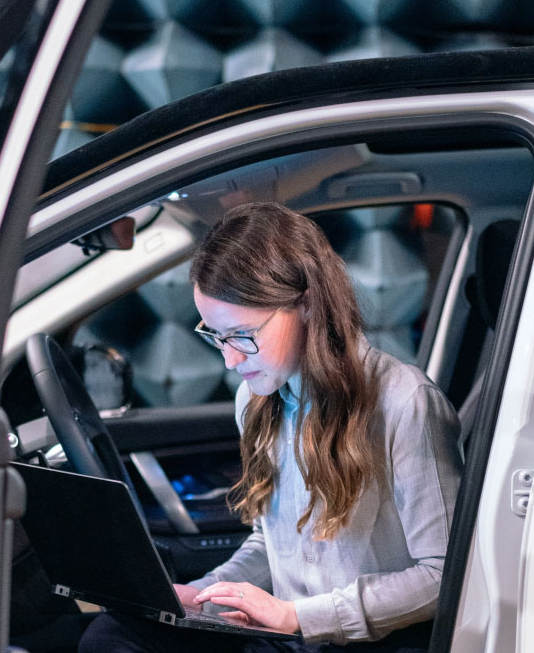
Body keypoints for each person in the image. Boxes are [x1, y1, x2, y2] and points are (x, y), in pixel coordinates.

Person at [79, 202, 463, 652]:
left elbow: (442, 576)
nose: (229, 360)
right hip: (289, 634)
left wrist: (298, 617)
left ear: (305, 304)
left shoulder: (404, 401)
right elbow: (270, 546)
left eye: (242, 335)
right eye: (215, 336)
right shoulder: (256, 399)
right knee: (113, 635)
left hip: (364, 642)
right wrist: (203, 597)